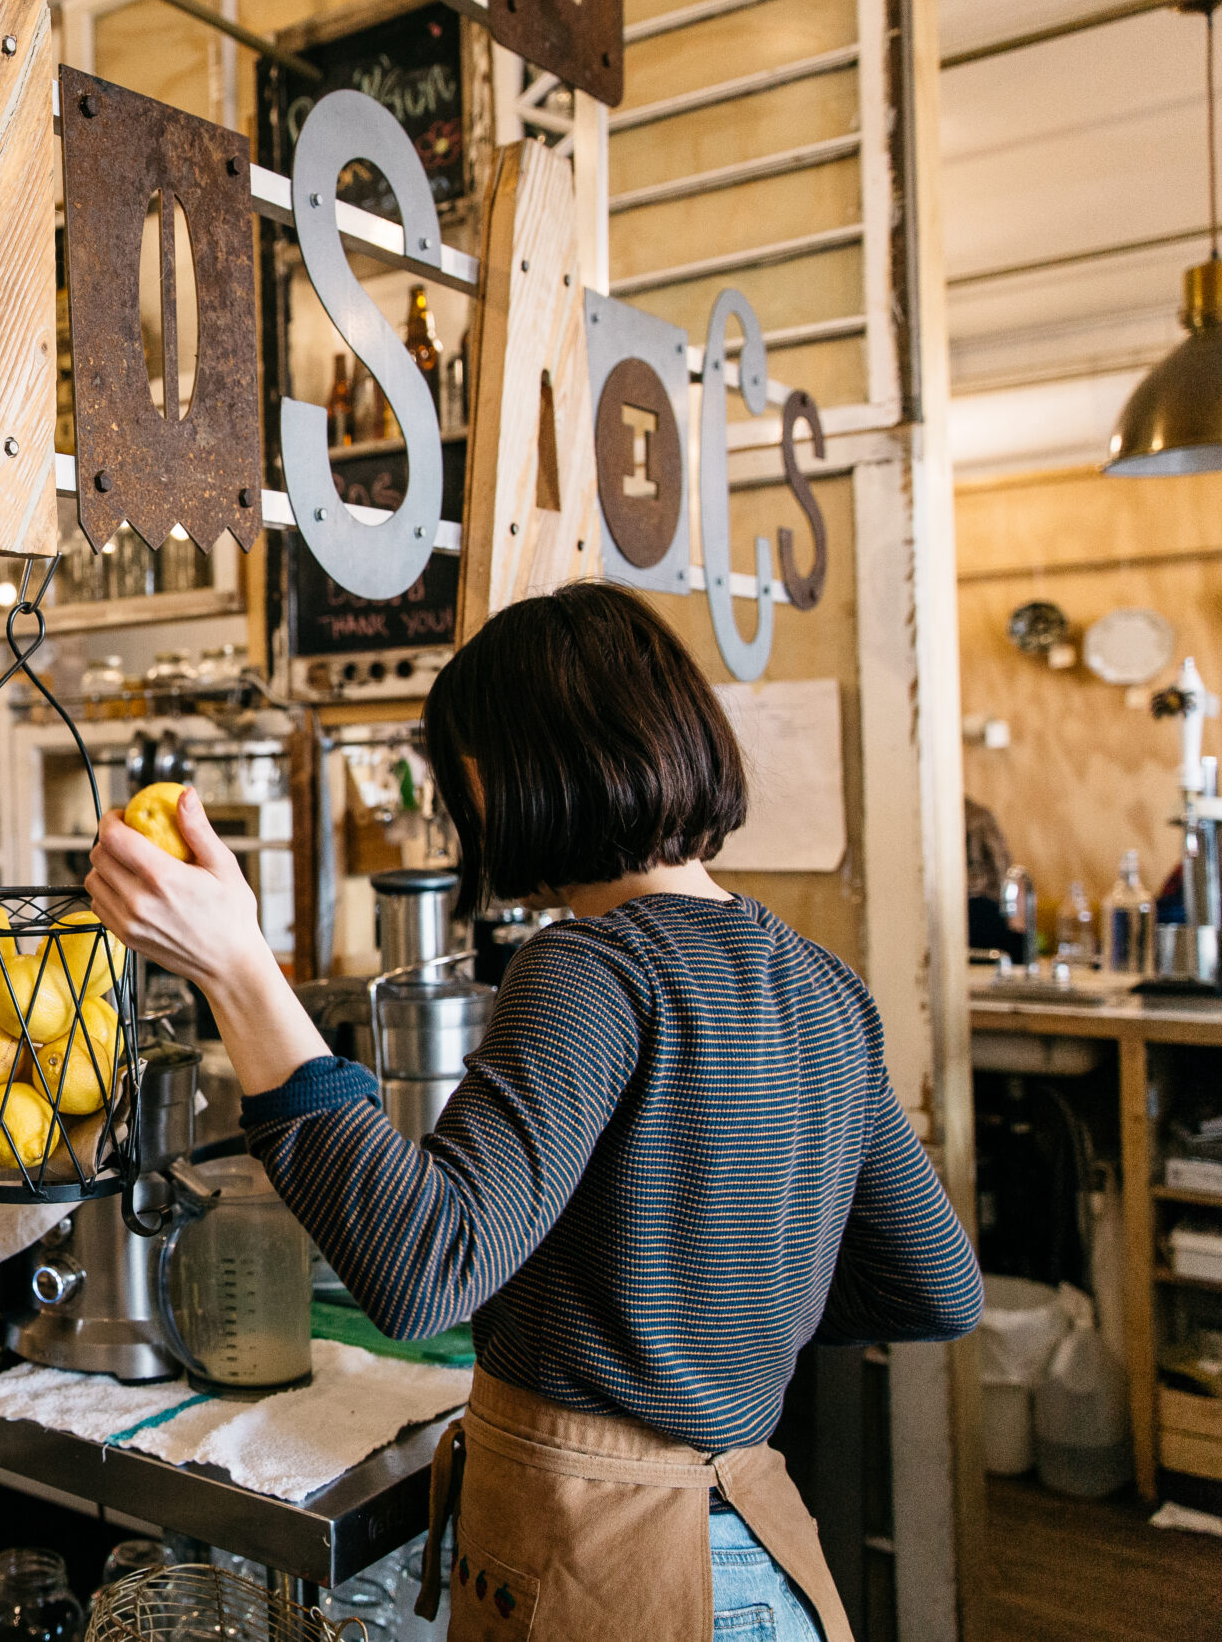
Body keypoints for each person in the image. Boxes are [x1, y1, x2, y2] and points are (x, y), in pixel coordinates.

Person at [87, 584, 981, 1642]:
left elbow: (422, 1268)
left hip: (613, 1577)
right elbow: (935, 1285)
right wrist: (697, 1316)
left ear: (508, 767)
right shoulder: (825, 985)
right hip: (759, 1565)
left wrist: (235, 968)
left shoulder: (592, 967)